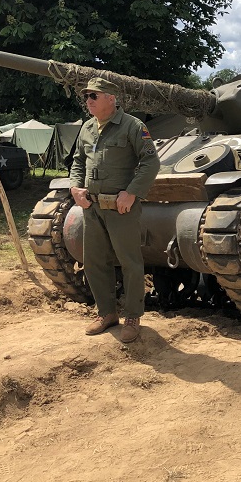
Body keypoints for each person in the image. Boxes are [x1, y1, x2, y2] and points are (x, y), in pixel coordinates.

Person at [70, 77, 160, 343]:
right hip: (92, 206)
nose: (88, 101)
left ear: (111, 98)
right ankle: (106, 313)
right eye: (87, 96)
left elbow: (150, 161)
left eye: (94, 96)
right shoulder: (87, 128)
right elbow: (78, 161)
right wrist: (76, 188)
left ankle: (133, 316)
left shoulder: (132, 126)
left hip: (121, 208)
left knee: (130, 262)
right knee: (95, 261)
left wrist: (131, 192)